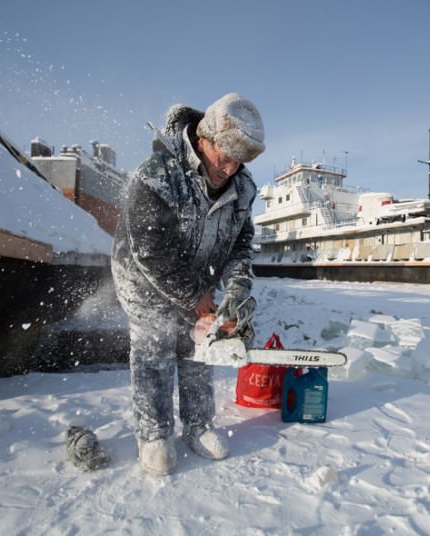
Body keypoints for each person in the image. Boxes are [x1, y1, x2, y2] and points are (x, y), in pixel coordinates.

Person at [111, 93, 264, 475]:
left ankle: (198, 426)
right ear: (203, 139)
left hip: (199, 275)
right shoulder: (157, 174)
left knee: (198, 346)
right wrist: (195, 294)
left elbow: (240, 243)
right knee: (156, 347)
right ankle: (154, 434)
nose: (229, 169)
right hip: (143, 276)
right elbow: (149, 249)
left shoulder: (243, 190)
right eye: (224, 156)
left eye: (239, 161)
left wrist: (236, 290)